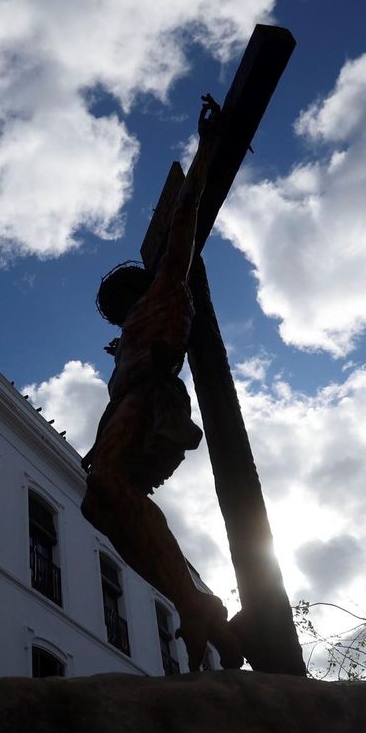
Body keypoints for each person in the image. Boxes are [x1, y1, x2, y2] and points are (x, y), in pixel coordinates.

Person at [81, 96, 241, 671]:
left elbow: (184, 218)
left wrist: (206, 149)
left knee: (108, 481)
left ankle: (197, 601)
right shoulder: (129, 332)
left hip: (151, 397)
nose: (117, 312)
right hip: (128, 403)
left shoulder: (167, 287)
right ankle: (188, 600)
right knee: (97, 505)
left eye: (118, 300)